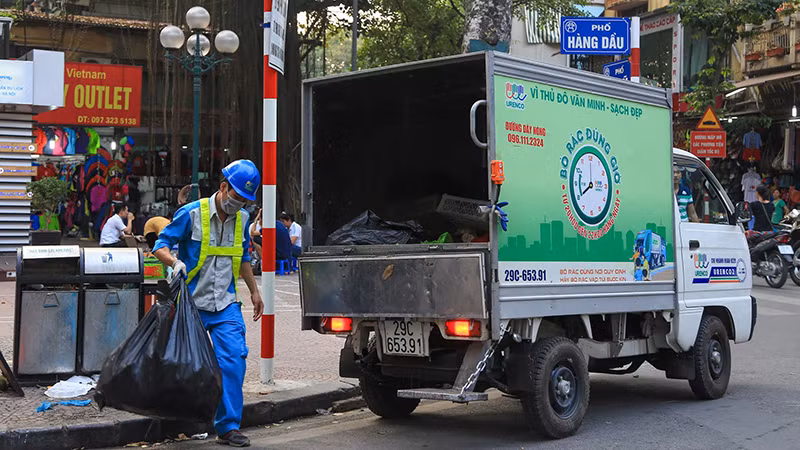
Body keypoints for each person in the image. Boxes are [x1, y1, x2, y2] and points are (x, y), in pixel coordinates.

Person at [153, 160, 263, 448]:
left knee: (234, 360)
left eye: (245, 201)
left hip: (225, 304)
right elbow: (160, 244)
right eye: (236, 197)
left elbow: (244, 260)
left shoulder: (242, 221)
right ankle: (175, 418)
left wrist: (254, 292)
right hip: (192, 304)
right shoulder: (192, 213)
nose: (238, 205)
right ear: (223, 187)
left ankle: (227, 427)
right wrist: (175, 261)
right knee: (183, 363)